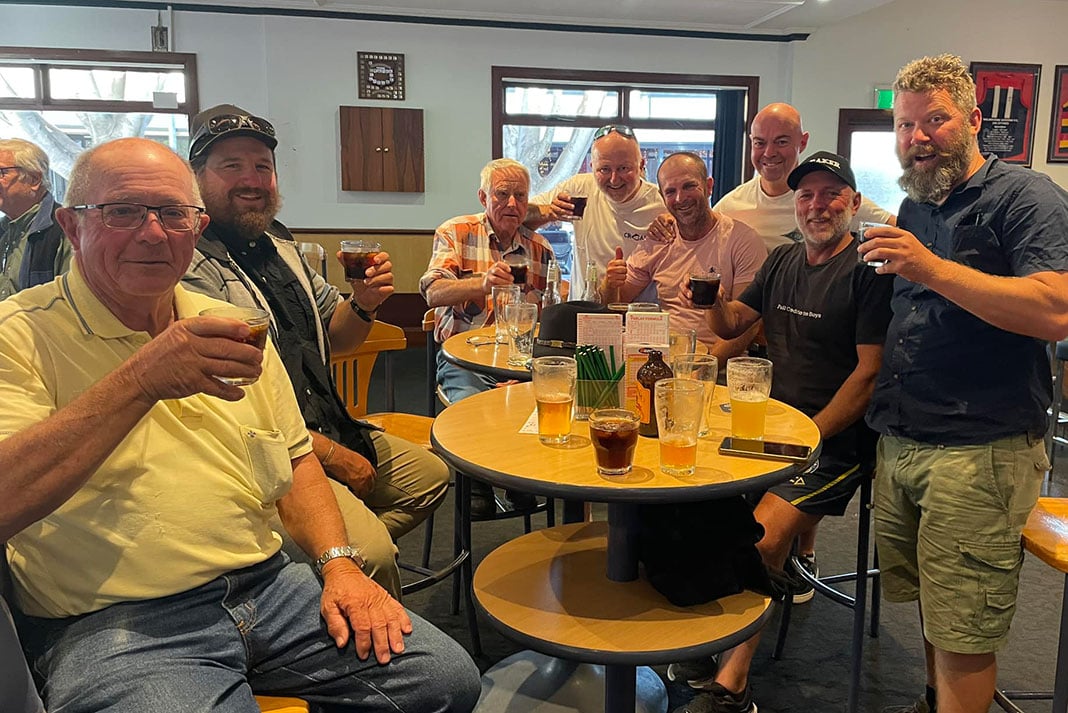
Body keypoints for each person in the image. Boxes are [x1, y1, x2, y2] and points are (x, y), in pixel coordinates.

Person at [0, 137, 481, 713]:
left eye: (173, 214)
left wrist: (339, 565)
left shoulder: (234, 320)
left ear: (195, 224)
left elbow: (295, 457)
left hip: (268, 586)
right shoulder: (18, 334)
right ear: (71, 225)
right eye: (122, 211)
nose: (153, 233)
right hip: (116, 618)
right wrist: (142, 380)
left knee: (446, 681)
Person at [862, 54, 1068, 713]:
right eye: (904, 125)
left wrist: (930, 269)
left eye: (935, 121)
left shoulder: (1026, 197)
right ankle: (933, 700)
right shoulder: (915, 202)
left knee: (965, 624)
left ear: (975, 120)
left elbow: (1054, 308)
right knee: (935, 598)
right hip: (905, 431)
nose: (917, 137)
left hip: (981, 444)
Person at [182, 104, 449, 601]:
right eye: (231, 166)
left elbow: (340, 337)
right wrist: (332, 458)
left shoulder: (283, 245)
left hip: (331, 421)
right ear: (196, 177)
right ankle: (350, 586)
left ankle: (303, 578)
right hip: (271, 453)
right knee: (373, 555)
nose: (252, 179)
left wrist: (364, 304)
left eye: (262, 166)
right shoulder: (190, 262)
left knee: (432, 477)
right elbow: (229, 403)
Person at [668, 151, 893, 713]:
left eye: (830, 194)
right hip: (766, 424)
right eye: (807, 195)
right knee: (695, 508)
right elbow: (733, 325)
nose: (817, 205)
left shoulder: (867, 272)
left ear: (854, 203)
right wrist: (716, 301)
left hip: (834, 443)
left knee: (761, 537)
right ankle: (714, 632)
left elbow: (869, 374)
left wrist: (810, 436)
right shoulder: (783, 260)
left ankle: (733, 687)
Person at [420, 157, 554, 514]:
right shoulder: (457, 232)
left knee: (554, 398)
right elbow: (432, 292)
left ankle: (519, 477)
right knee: (473, 408)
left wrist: (523, 377)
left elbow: (547, 317)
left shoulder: (540, 249)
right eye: (503, 194)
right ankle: (477, 481)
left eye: (520, 196)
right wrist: (481, 283)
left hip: (519, 362)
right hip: (463, 359)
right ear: (483, 197)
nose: (512, 204)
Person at [602, 151, 766, 361]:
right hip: (661, 360)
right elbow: (614, 306)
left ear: (708, 186)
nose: (680, 198)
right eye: (670, 191)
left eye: (689, 186)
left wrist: (704, 368)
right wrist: (610, 283)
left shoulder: (743, 240)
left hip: (717, 366)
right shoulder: (659, 238)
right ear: (663, 197)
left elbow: (748, 325)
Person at [714, 103, 896, 253]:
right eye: (760, 143)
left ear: (802, 142)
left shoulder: (834, 200)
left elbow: (902, 230)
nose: (769, 153)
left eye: (781, 142)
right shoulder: (730, 208)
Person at [526, 124, 667, 301]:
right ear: (592, 167)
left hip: (639, 319)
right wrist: (549, 213)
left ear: (641, 165)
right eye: (604, 169)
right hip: (583, 315)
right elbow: (520, 214)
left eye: (624, 168)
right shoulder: (579, 189)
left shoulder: (661, 203)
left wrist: (676, 223)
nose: (614, 179)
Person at [0, 138, 70, 300]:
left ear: (34, 180)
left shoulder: (66, 229)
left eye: (1, 172)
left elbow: (71, 302)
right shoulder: (5, 230)